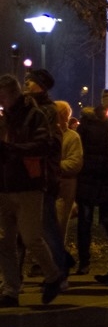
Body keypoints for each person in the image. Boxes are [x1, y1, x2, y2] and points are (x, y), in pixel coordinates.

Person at [0, 74, 62, 306]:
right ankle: (11, 290)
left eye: (3, 96)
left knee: (31, 237)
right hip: (4, 186)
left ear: (14, 95)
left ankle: (53, 275)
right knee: (4, 241)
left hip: (27, 185)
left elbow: (45, 144)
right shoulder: (4, 118)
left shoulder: (34, 115)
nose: (1, 101)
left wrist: (12, 150)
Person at [23, 69, 65, 281]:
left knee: (48, 226)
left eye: (31, 82)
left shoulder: (46, 110)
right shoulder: (26, 107)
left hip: (43, 176)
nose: (27, 85)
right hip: (24, 176)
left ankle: (59, 271)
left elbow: (44, 143)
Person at [76, 90, 108, 278]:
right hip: (89, 178)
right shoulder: (89, 123)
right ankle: (84, 261)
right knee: (84, 222)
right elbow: (81, 149)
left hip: (105, 180)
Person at [54, 100, 83, 268]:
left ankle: (58, 265)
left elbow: (75, 163)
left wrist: (53, 167)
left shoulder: (72, 137)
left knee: (58, 228)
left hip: (63, 189)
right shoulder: (48, 135)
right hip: (48, 188)